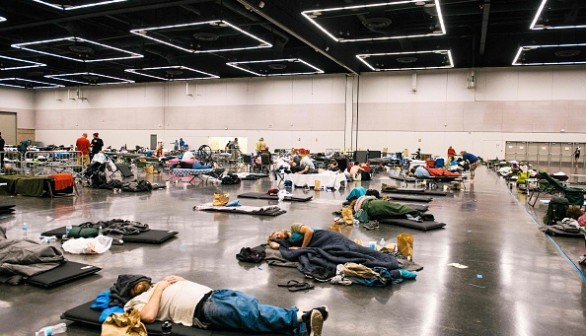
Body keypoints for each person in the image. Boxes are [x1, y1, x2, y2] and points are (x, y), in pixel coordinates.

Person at [123, 274, 327, 336]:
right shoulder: (135, 302)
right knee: (252, 315)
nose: (139, 284)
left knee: (255, 311)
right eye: (134, 285)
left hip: (214, 294)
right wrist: (159, 289)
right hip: (202, 310)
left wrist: (181, 280)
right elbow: (148, 317)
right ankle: (301, 316)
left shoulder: (160, 282)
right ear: (130, 291)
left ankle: (301, 330)